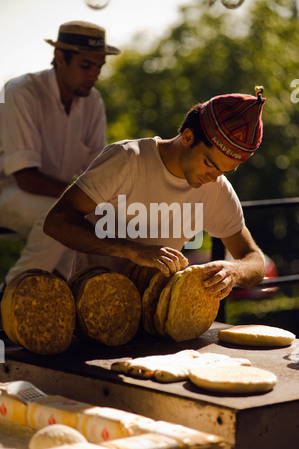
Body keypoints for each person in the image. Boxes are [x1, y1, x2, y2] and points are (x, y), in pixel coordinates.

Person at [43, 87, 266, 300]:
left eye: (225, 170)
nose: (214, 177)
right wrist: (131, 250)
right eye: (209, 163)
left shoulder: (216, 187)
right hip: (90, 313)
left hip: (157, 324)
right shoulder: (126, 159)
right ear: (188, 137)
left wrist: (233, 270)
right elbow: (56, 222)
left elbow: (255, 260)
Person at [0, 21, 120, 289]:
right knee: (58, 217)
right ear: (60, 58)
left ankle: (68, 299)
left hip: (55, 194)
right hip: (7, 191)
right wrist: (83, 199)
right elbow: (25, 178)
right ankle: (10, 298)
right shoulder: (21, 91)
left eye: (99, 67)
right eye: (86, 66)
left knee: (103, 222)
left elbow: (97, 172)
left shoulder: (94, 102)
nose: (94, 75)